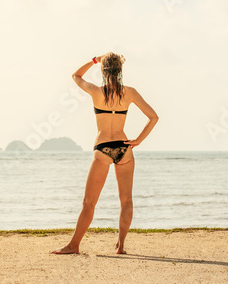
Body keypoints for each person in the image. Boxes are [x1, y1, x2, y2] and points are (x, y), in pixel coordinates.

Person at [51, 52, 159, 254]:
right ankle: (121, 245)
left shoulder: (96, 91)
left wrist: (94, 60)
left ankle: (74, 245)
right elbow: (153, 117)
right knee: (126, 200)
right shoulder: (130, 92)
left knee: (89, 203)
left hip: (103, 148)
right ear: (120, 71)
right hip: (124, 148)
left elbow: (76, 76)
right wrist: (138, 140)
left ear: (104, 70)